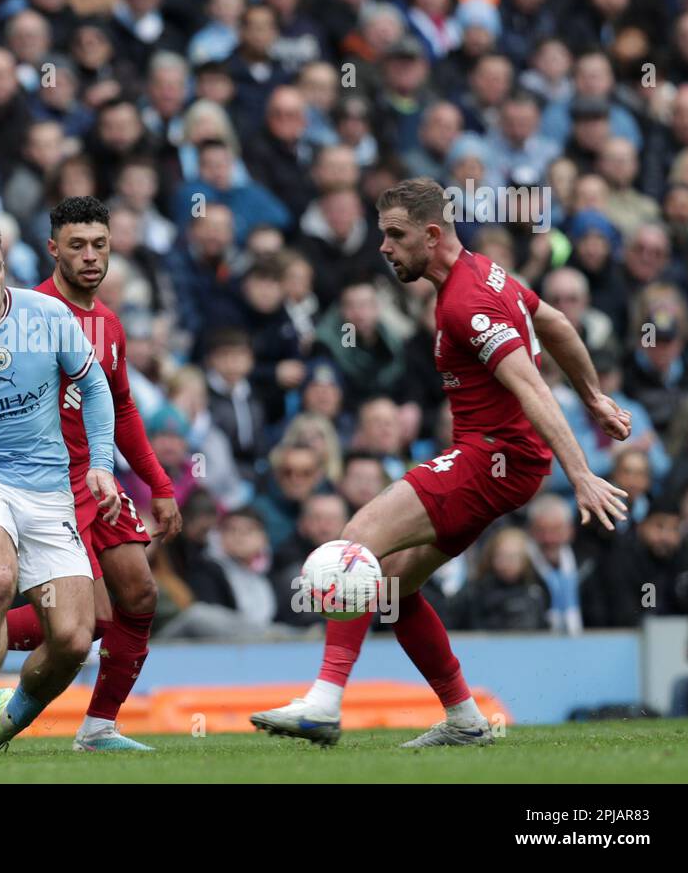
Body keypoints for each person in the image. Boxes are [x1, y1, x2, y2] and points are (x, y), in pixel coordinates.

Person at [251, 177, 632, 747]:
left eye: (395, 235)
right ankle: (464, 718)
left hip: (494, 456)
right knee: (394, 587)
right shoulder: (484, 271)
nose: (384, 247)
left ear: (431, 235)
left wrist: (580, 473)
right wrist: (594, 395)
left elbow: (531, 386)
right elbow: (553, 323)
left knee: (353, 546)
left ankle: (324, 702)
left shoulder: (466, 302)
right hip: (502, 458)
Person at [0, 195, 183, 751]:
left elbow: (107, 394)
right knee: (0, 579)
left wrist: (114, 469)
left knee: (81, 632)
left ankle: (29, 708)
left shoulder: (56, 318)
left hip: (57, 484)